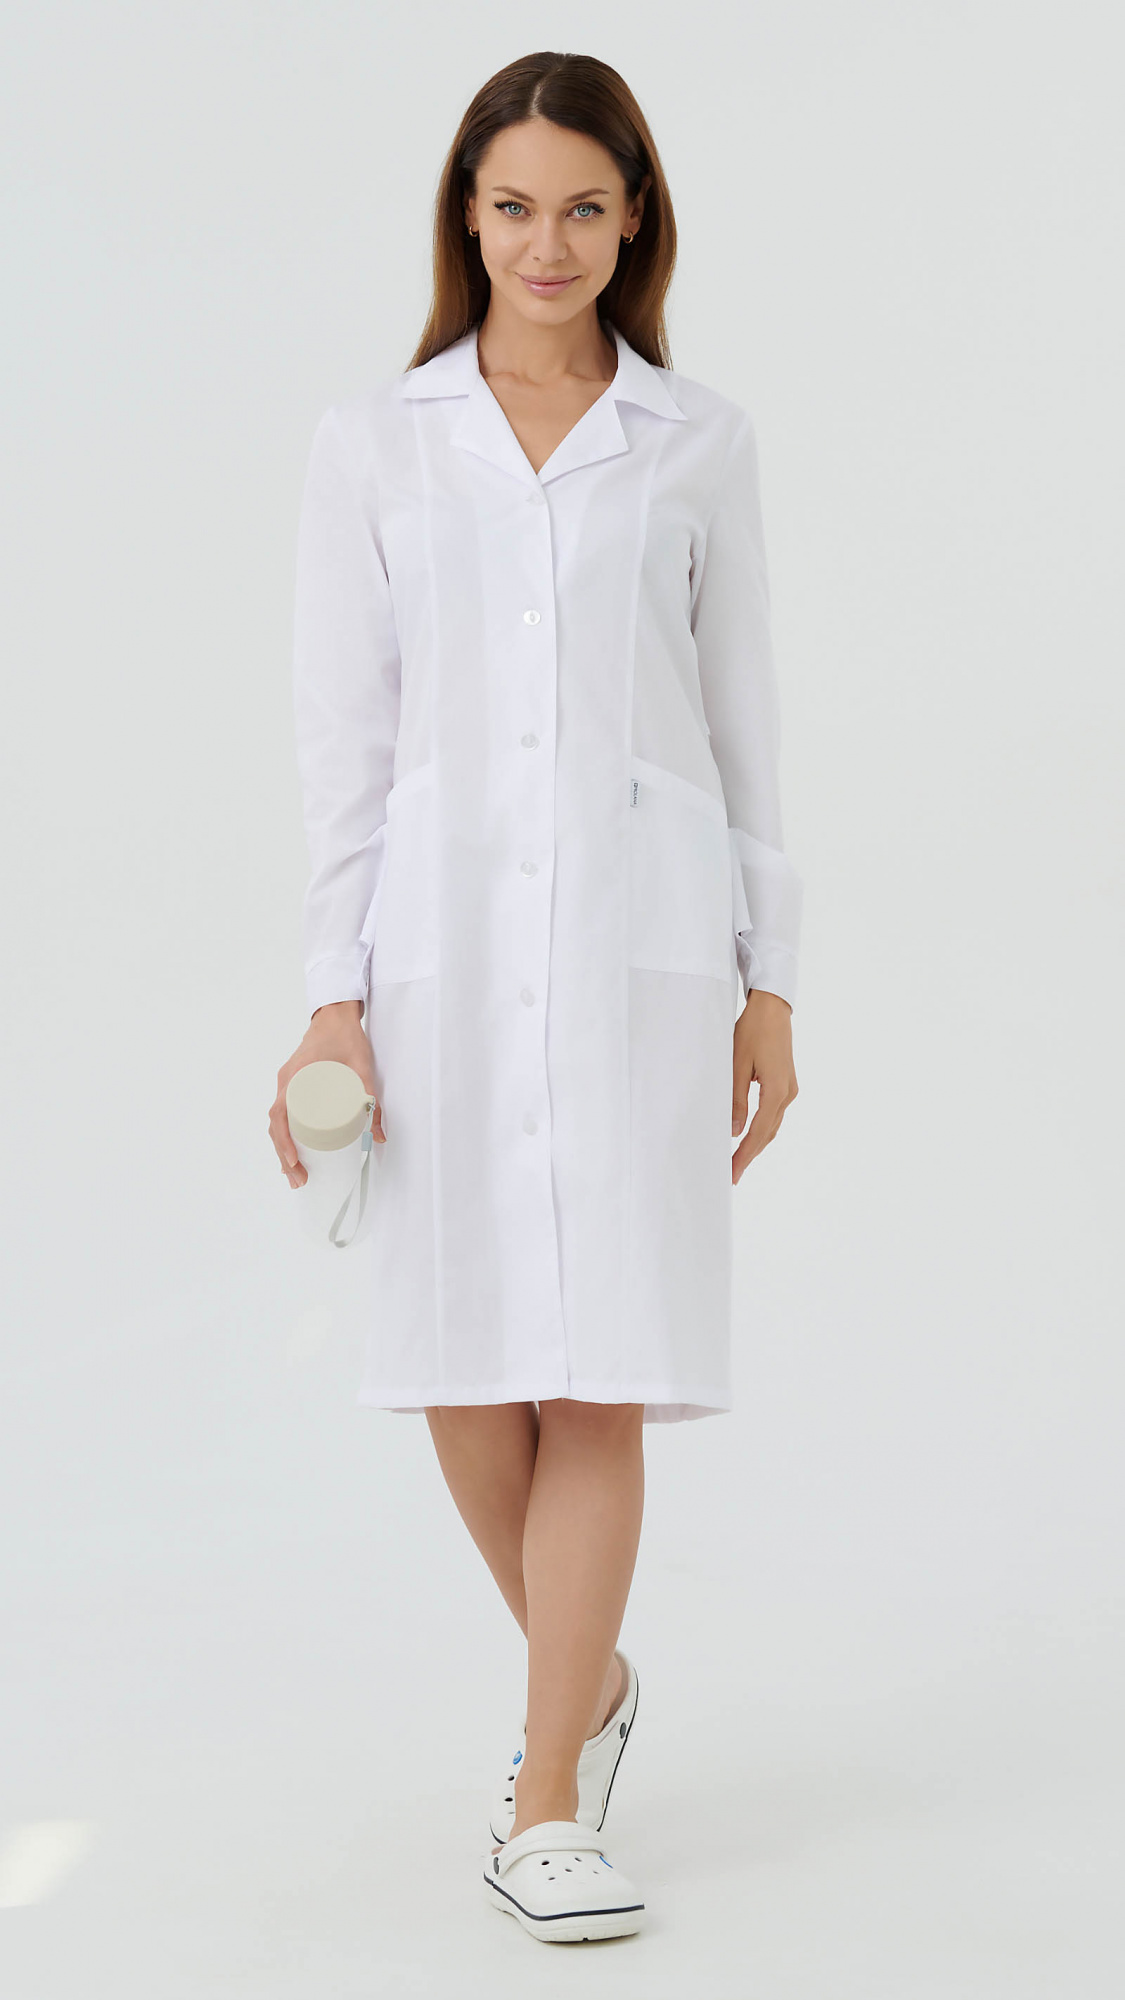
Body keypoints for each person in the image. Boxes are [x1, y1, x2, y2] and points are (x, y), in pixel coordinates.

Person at [268, 50, 802, 1946]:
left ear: (633, 216)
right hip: (434, 961)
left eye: (583, 205)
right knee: (460, 1363)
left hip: (642, 962)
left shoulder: (695, 443)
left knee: (599, 1370)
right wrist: (329, 999)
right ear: (466, 217)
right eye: (512, 207)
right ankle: (597, 1678)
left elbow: (741, 725)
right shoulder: (375, 444)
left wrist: (767, 984)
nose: (547, 243)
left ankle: (548, 1792)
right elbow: (348, 752)